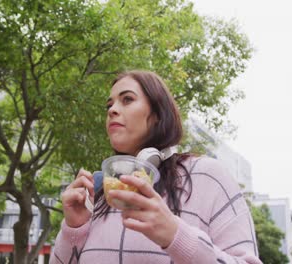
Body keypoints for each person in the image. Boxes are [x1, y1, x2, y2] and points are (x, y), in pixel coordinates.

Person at [50, 70, 263, 264]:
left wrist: (175, 235)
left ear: (158, 114)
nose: (112, 110)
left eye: (127, 99)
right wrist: (74, 229)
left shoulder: (207, 176)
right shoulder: (99, 193)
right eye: (109, 105)